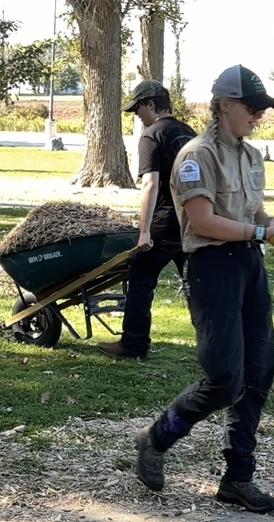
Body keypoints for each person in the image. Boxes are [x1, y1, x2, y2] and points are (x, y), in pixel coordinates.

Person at [133, 64, 274, 514]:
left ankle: (238, 478)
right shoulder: (196, 155)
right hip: (212, 266)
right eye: (252, 107)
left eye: (262, 108)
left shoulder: (250, 155)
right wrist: (263, 235)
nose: (259, 114)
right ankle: (158, 437)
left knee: (259, 372)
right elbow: (203, 221)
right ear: (224, 105)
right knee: (223, 378)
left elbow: (252, 212)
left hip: (249, 265)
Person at [96, 80, 197, 360]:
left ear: (151, 104)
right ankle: (220, 346)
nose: (137, 115)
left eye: (138, 108)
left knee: (141, 279)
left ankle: (133, 344)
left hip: (164, 224)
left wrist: (144, 231)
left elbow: (150, 184)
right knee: (198, 287)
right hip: (193, 223)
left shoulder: (152, 136)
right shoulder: (190, 134)